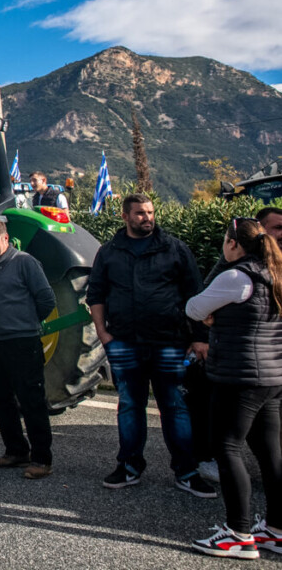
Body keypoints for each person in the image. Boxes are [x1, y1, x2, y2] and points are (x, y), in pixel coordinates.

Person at [86, 193, 216, 497]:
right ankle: (129, 466)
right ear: (125, 216)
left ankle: (186, 471)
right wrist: (103, 334)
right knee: (130, 406)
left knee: (174, 406)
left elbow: (195, 294)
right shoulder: (109, 251)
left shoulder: (174, 248)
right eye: (140, 213)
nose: (147, 218)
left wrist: (199, 337)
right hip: (124, 343)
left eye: (150, 212)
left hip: (169, 342)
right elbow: (96, 294)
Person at [187, 217, 282, 559]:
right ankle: (276, 530)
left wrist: (213, 315)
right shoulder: (275, 274)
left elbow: (194, 307)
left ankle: (238, 534)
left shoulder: (236, 276)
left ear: (232, 243)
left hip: (239, 376)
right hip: (273, 377)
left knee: (227, 448)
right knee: (270, 453)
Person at [0, 218, 57, 479]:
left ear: (5, 238)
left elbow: (46, 299)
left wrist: (26, 323)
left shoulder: (25, 263)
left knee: (31, 400)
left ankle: (41, 459)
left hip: (22, 342)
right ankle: (16, 450)